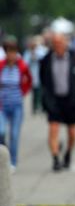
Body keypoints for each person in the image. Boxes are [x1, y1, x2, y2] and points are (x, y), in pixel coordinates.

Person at [40, 33, 75, 171]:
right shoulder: (47, 59)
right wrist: (47, 97)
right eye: (55, 43)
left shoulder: (74, 58)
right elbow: (43, 78)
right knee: (53, 129)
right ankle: (55, 159)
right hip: (54, 100)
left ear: (66, 43)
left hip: (71, 100)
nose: (58, 46)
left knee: (72, 133)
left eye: (60, 43)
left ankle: (68, 153)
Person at [0, 37, 32, 172]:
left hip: (17, 104)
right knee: (1, 132)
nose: (11, 55)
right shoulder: (1, 65)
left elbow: (29, 80)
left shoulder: (22, 66)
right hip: (2, 105)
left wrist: (23, 92)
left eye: (13, 52)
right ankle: (3, 155)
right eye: (8, 52)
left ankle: (12, 161)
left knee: (14, 134)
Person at [23, 35, 48, 114]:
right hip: (32, 75)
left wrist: (36, 56)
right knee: (34, 93)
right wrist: (31, 57)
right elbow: (25, 63)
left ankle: (40, 106)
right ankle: (34, 107)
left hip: (41, 75)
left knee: (41, 92)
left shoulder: (41, 50)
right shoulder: (28, 52)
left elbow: (44, 59)